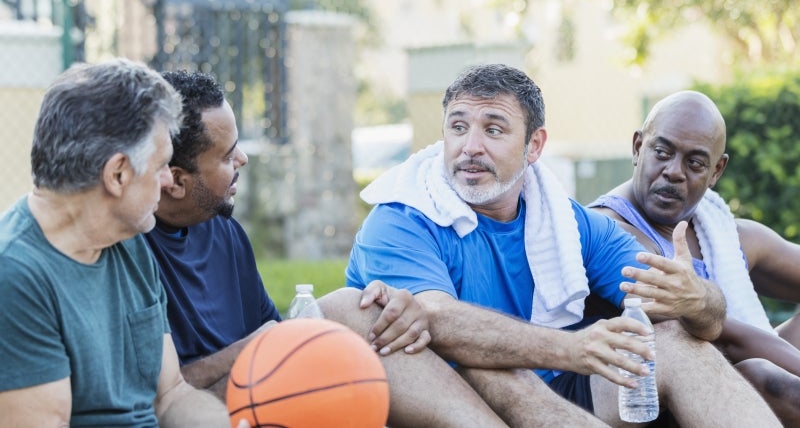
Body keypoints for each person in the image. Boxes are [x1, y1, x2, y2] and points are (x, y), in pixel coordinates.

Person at [346, 63, 782, 426]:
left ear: (534, 145)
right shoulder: (401, 216)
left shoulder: (569, 222)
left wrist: (696, 296)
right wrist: (572, 348)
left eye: (493, 130)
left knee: (671, 338)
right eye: (458, 127)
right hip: (459, 397)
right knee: (493, 370)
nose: (469, 147)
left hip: (559, 384)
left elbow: (700, 321)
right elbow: (438, 320)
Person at [143, 69, 526, 427]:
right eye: (228, 156)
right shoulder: (131, 252)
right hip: (207, 411)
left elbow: (273, 335)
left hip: (270, 393)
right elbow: (163, 395)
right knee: (343, 312)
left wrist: (378, 311)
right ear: (175, 181)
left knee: (366, 310)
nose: (242, 159)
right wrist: (286, 335)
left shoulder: (223, 231)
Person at [0, 59, 231, 426]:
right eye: (160, 167)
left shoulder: (128, 240)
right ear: (118, 174)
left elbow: (171, 395)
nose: (168, 183)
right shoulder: (15, 276)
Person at [589, 89, 800, 423]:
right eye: (661, 152)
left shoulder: (723, 232)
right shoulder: (608, 233)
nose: (674, 171)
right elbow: (726, 340)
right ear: (637, 147)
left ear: (716, 171)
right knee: (761, 375)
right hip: (668, 400)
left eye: (695, 163)